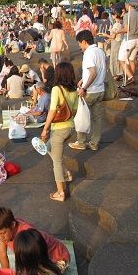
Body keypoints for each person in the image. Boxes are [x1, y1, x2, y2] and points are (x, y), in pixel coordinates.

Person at [0, 207, 70, 272]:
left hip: (59, 259)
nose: (1, 238)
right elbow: (2, 253)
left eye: (3, 233)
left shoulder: (26, 234)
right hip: (37, 257)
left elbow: (33, 263)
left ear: (13, 225)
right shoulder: (6, 228)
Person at [40, 62, 78, 201]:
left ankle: (60, 193)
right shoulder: (74, 90)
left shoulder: (57, 89)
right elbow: (75, 110)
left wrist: (45, 129)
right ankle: (66, 173)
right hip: (70, 127)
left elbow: (51, 111)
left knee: (56, 162)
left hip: (59, 129)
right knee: (48, 147)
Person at [69, 30, 106, 152]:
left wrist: (84, 87)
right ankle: (94, 142)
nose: (79, 46)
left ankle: (81, 142)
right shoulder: (100, 51)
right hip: (100, 89)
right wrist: (82, 80)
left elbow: (93, 72)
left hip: (90, 91)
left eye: (79, 43)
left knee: (82, 116)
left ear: (84, 42)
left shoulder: (89, 53)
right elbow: (98, 71)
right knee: (97, 118)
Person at [117, 3, 138, 85]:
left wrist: (117, 31)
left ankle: (130, 77)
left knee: (121, 59)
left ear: (128, 5)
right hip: (137, 40)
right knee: (131, 59)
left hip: (129, 40)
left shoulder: (127, 15)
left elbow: (126, 29)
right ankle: (131, 76)